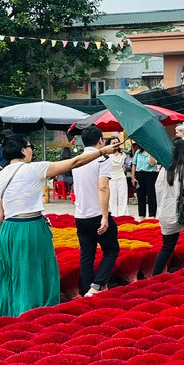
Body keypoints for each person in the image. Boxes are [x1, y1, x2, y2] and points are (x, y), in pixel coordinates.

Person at [0, 133, 119, 317]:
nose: (31, 151)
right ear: (22, 150)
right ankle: (36, 313)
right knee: (37, 271)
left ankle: (14, 314)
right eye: (29, 147)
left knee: (15, 273)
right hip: (31, 227)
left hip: (8, 230)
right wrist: (102, 152)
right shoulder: (34, 168)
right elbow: (74, 162)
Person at [72, 126, 121, 298]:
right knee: (112, 249)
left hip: (80, 214)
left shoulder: (76, 161)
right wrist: (105, 217)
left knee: (87, 256)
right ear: (100, 140)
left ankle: (87, 290)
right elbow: (103, 187)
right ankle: (97, 285)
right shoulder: (102, 160)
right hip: (96, 214)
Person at [153, 137, 184, 274]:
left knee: (167, 248)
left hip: (167, 214)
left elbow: (158, 189)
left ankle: (154, 276)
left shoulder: (165, 169)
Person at [132, 144, 159, 219]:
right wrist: (133, 177)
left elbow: (153, 163)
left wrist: (150, 152)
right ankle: (141, 215)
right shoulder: (138, 152)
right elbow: (134, 164)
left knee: (151, 196)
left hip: (151, 175)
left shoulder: (153, 152)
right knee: (140, 196)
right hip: (139, 174)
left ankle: (152, 215)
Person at [107, 139, 129, 218]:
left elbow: (124, 167)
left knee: (123, 197)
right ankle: (113, 215)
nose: (116, 144)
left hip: (121, 177)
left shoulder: (123, 154)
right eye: (113, 143)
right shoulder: (107, 155)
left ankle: (123, 215)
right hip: (111, 178)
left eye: (117, 143)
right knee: (112, 198)